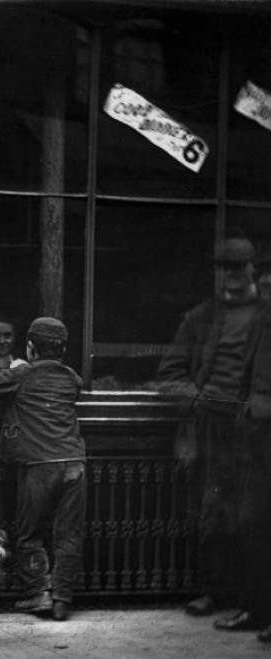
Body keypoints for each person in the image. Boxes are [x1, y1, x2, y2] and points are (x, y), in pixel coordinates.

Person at [156, 230, 259, 617]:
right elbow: (170, 373)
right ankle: (213, 592)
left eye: (238, 266)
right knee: (212, 514)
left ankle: (254, 601)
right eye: (223, 267)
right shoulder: (201, 317)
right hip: (211, 429)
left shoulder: (267, 315)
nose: (231, 274)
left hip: (257, 428)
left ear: (252, 268)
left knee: (255, 517)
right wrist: (197, 400)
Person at [0, 317, 85, 622]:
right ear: (62, 349)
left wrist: (7, 370)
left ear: (31, 348)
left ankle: (38, 592)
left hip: (40, 464)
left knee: (31, 534)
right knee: (69, 534)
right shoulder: (71, 377)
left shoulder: (21, 374)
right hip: (75, 462)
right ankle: (62, 599)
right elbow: (76, 386)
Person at [215, 245, 271, 641]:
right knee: (252, 524)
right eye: (264, 274)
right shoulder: (260, 321)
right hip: (256, 436)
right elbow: (245, 377)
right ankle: (257, 609)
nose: (267, 281)